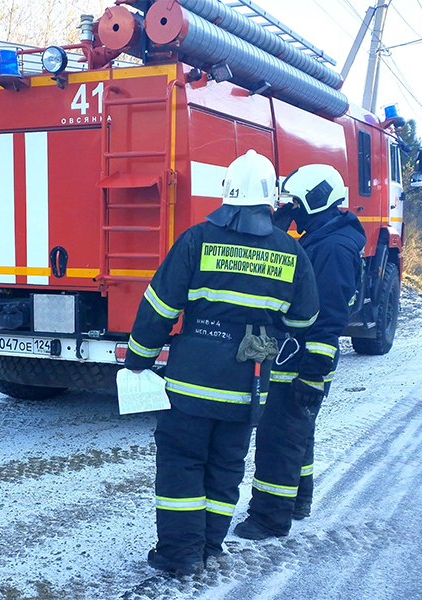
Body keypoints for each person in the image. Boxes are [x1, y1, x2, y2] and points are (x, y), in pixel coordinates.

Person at [124, 150, 320, 575]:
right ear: (271, 198)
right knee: (226, 468)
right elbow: (304, 319)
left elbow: (160, 305)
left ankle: (180, 554)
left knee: (182, 466)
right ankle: (210, 546)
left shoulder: (197, 239)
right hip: (248, 387)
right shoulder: (291, 252)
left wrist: (138, 359)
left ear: (227, 193)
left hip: (190, 387)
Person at [234, 164, 366, 540]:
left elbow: (329, 319)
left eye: (295, 201)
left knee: (280, 438)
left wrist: (312, 373)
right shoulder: (322, 238)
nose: (291, 207)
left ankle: (269, 517)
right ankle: (297, 501)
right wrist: (278, 227)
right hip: (297, 358)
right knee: (298, 433)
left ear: (315, 197)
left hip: (304, 362)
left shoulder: (334, 248)